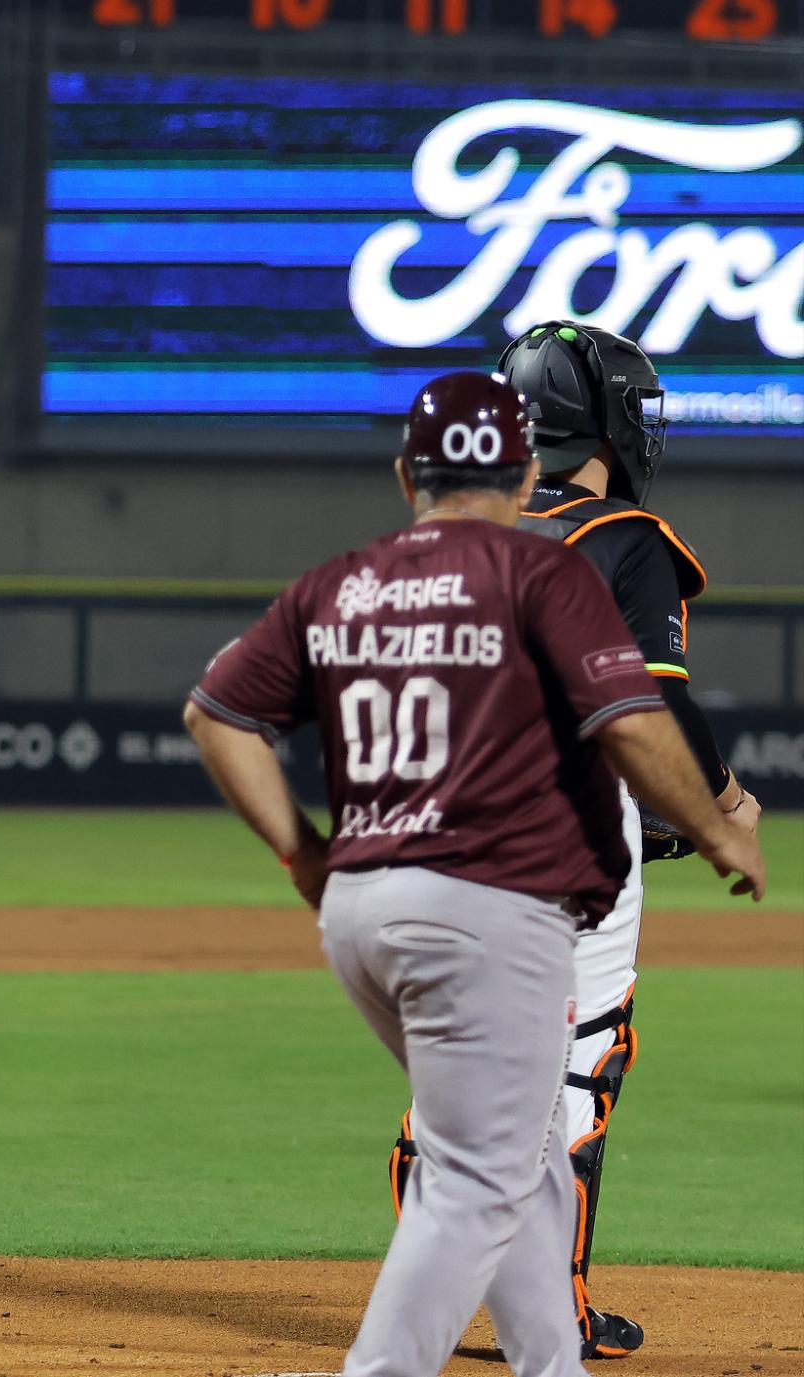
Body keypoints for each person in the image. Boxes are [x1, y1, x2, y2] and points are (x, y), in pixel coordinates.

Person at [184, 370, 764, 1377]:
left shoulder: (346, 579)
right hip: (490, 904)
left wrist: (299, 851)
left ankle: (552, 1363)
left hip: (360, 906)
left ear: (406, 471)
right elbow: (630, 719)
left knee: (528, 1149)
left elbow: (215, 716)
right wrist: (713, 828)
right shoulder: (546, 575)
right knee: (482, 1175)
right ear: (523, 468)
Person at [387, 322, 761, 1360]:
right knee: (576, 1063)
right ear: (591, 416)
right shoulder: (623, 535)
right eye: (629, 404)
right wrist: (717, 802)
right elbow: (656, 708)